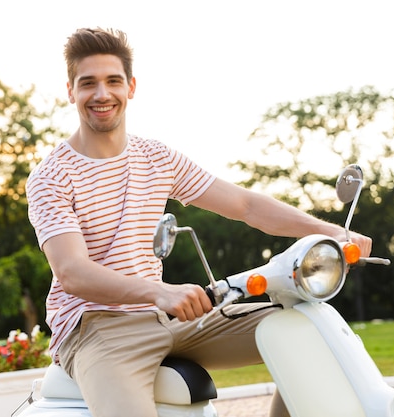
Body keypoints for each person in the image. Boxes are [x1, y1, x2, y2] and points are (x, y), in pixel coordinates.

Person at [25, 27, 373, 417]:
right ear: (71, 91)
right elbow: (72, 272)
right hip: (96, 330)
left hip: (166, 318)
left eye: (113, 81)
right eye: (88, 83)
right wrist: (160, 292)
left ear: (131, 87)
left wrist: (331, 232)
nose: (102, 94)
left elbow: (245, 205)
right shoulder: (51, 177)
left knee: (310, 333)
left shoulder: (156, 158)